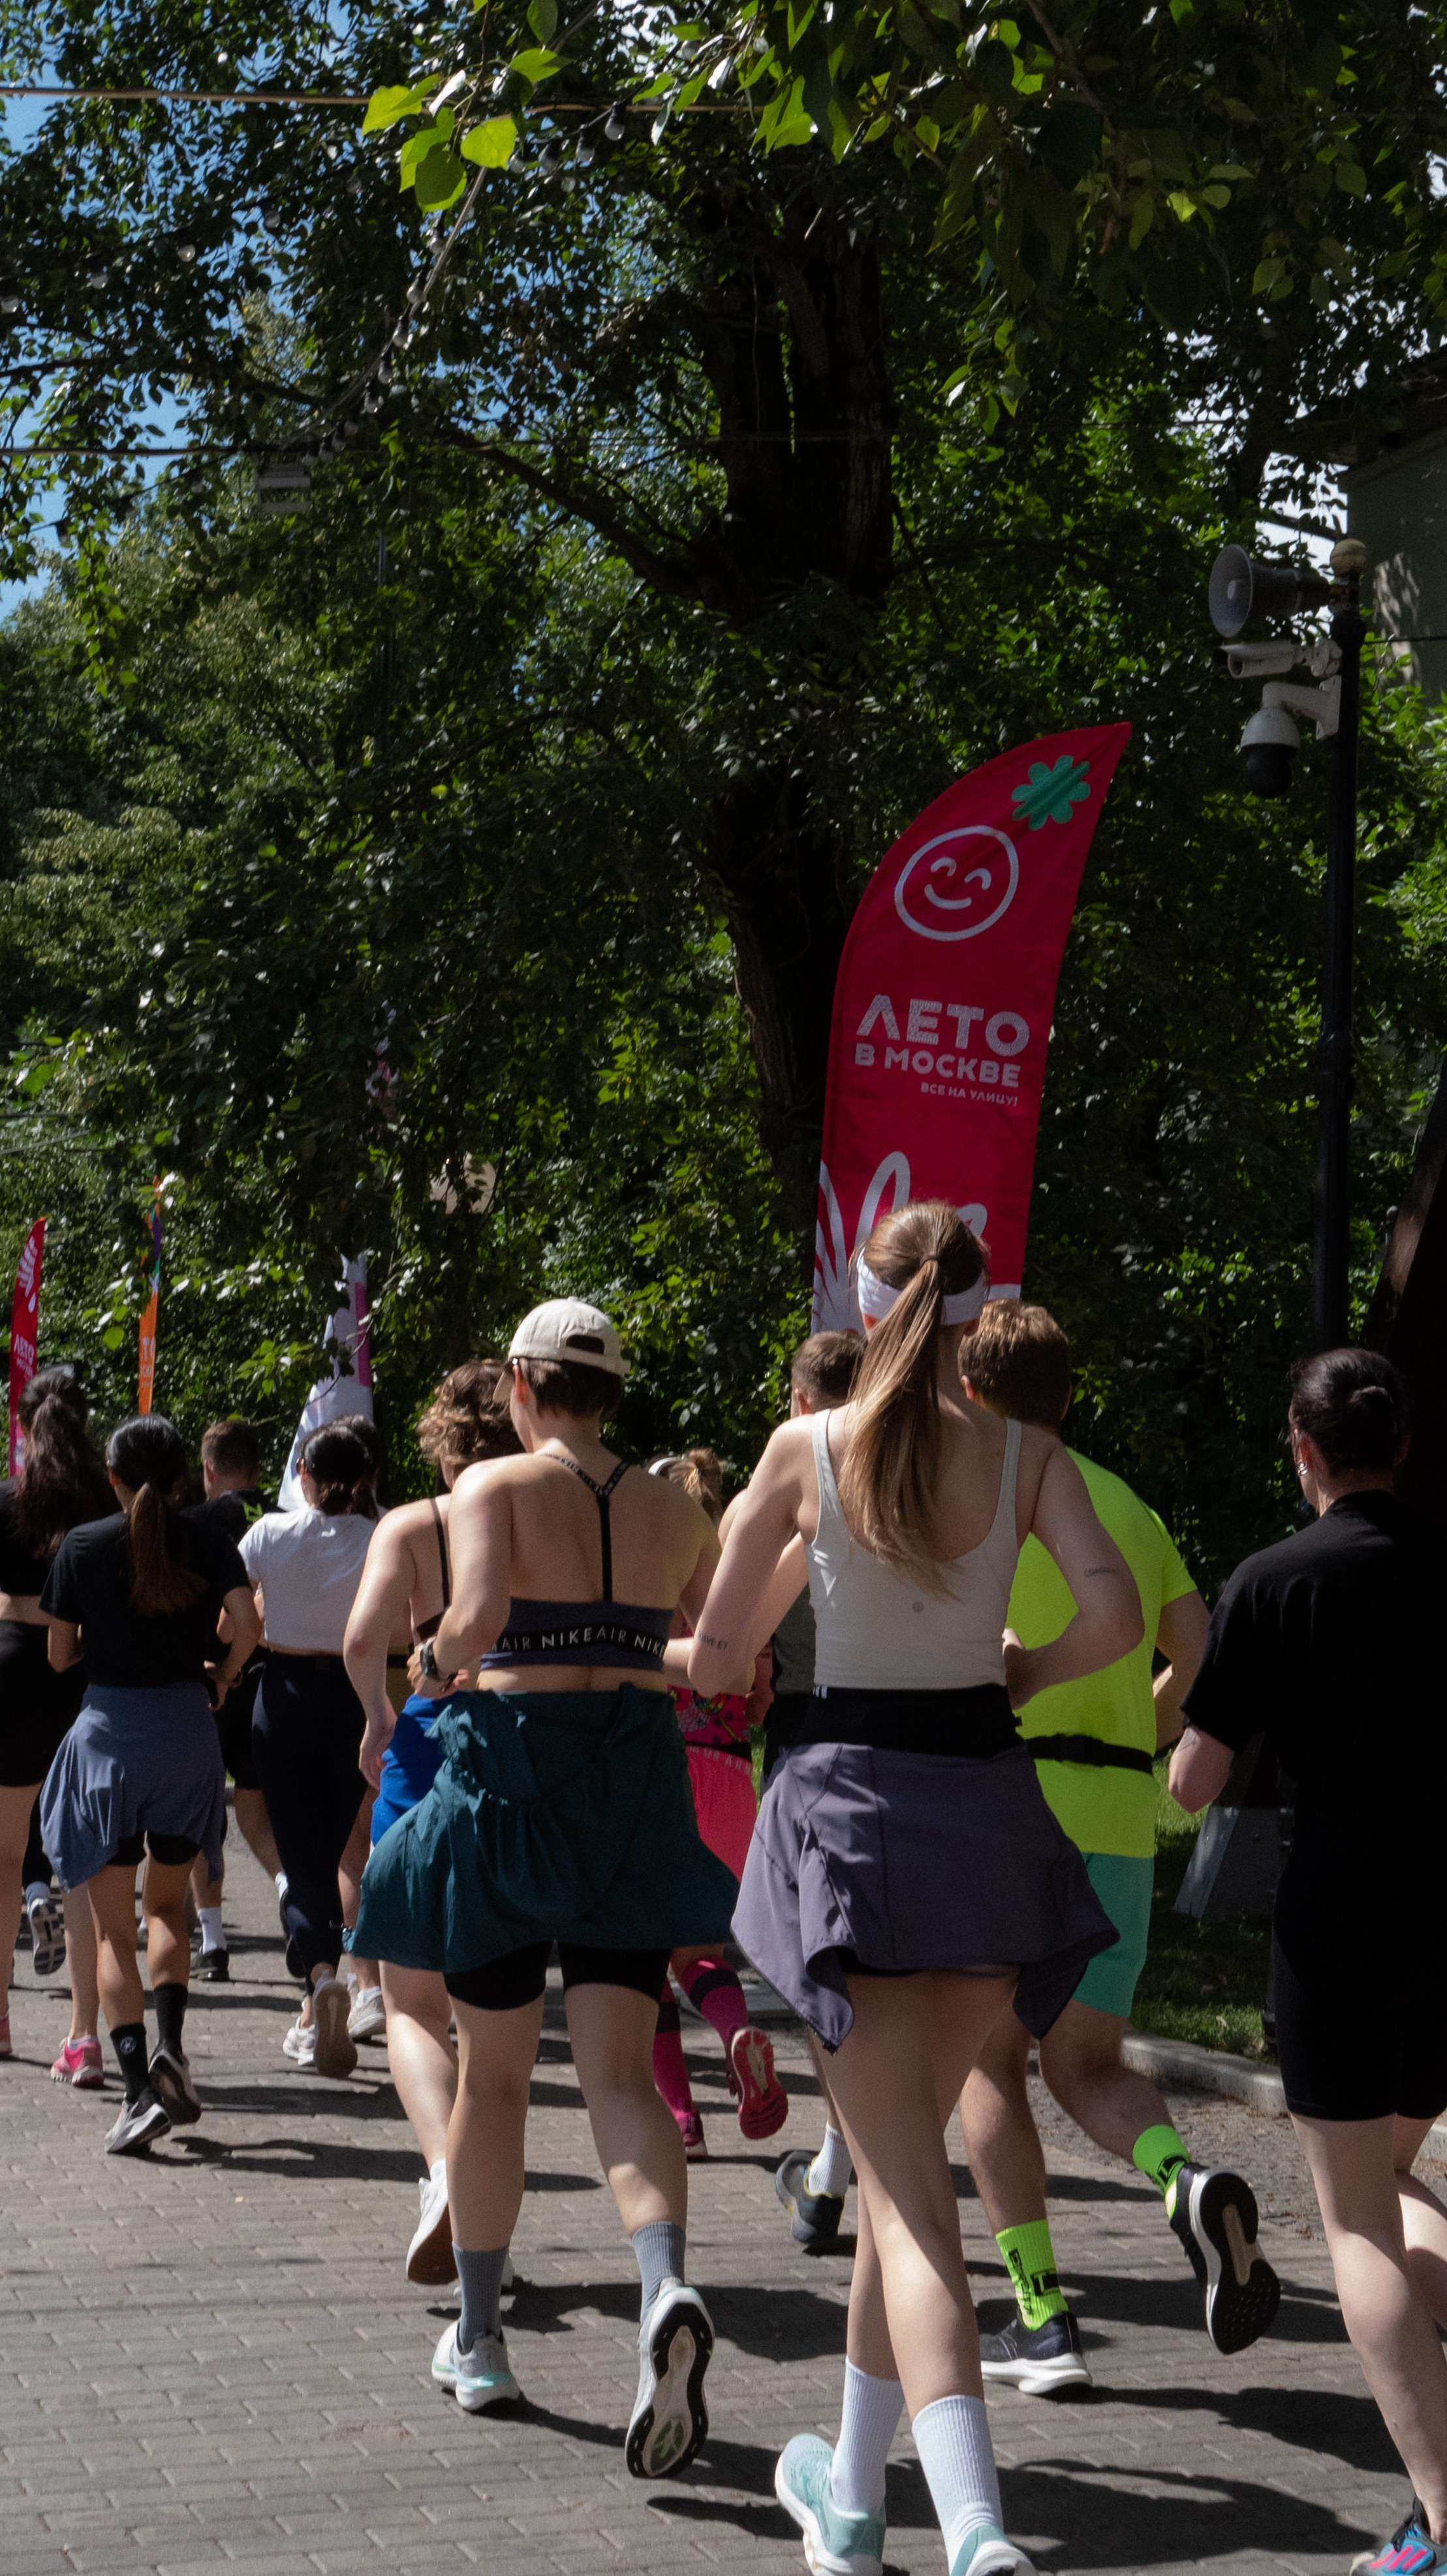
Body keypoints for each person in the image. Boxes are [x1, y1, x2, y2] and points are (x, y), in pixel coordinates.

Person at [691, 1201, 1142, 2576]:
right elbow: (1115, 1617)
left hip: (850, 1829)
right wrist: (1021, 1669)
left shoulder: (802, 1444)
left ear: (862, 1297)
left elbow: (718, 1657)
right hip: (986, 1824)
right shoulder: (1026, 1453)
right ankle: (851, 2503)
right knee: (900, 2188)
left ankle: (976, 2529)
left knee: (910, 2211)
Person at [352, 1297, 738, 2468]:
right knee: (622, 2073)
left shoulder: (492, 1488)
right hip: (633, 1776)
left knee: (497, 2083)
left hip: (511, 1783)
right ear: (610, 1390)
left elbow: (469, 1623)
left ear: (522, 1384)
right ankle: (664, 2286)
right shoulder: (679, 1506)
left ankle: (479, 2338)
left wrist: (424, 1667)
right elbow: (719, 1655)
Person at [956, 1300, 1280, 2388]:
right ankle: (1182, 2180)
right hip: (1116, 1818)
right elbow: (1199, 1653)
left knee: (989, 2060)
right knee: (1084, 2057)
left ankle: (1042, 2318)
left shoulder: (973, 1493)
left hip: (1007, 1805)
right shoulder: (1130, 1509)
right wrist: (1133, 1724)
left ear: (970, 1391)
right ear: (1067, 1393)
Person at [1171, 1346, 1447, 2576]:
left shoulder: (1273, 1580)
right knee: (1393, 2173)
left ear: (1300, 1452)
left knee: (1351, 2225)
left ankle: (1442, 2519)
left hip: (1341, 1904)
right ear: (1401, 1447)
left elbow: (1195, 1779)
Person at [39, 1414, 260, 2153]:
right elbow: (245, 1621)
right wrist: (221, 1676)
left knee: (112, 1929)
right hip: (185, 1734)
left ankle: (137, 2089)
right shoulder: (207, 1539)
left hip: (108, 1738)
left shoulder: (84, 1545)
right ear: (180, 1475)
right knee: (169, 1908)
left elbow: (59, 1654)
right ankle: (172, 2045)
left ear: (112, 1477)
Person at [344, 1358, 521, 2282]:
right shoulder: (549, 1508)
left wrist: (377, 1719)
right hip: (526, 1744)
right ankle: (483, 2193)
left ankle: (446, 2170)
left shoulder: (415, 1524)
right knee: (495, 2012)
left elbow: (360, 1637)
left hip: (426, 1741)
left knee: (410, 1998)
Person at [649, 1446, 787, 2158]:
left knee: (644, 1958)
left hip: (663, 1777)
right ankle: (736, 2032)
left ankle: (680, 2119)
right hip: (734, 1782)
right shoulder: (743, 1594)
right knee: (701, 1950)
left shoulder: (648, 1585)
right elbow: (759, 1701)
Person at [762, 1331, 865, 2250]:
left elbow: (731, 1643)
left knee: (812, 1960)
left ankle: (841, 2150)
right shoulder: (908, 1480)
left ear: (798, 1402)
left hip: (801, 1730)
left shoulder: (790, 1486)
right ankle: (839, 2158)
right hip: (906, 1725)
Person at [239, 1422, 376, 2080]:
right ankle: (325, 1981)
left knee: (299, 1854)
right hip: (352, 1699)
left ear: (304, 1477)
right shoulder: (379, 1539)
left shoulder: (269, 1532)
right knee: (327, 1851)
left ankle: (322, 1975)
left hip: (284, 1696)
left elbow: (233, 1606)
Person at [0, 1370, 115, 2068]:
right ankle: (84, 2033)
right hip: (86, 1673)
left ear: (23, 1425)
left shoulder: (7, 1499)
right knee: (84, 1863)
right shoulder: (109, 1500)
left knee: (5, 1854)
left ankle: (2, 2018)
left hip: (12, 1666)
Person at [187, 1419, 281, 1982]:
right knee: (254, 1807)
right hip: (271, 1679)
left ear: (208, 1470)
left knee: (201, 1815)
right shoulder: (286, 1517)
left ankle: (214, 1942)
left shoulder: (192, 1526)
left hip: (206, 1679)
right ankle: (289, 1887)